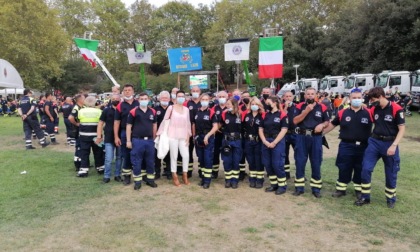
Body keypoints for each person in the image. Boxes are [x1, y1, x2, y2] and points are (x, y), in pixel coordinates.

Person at [355, 87, 405, 208]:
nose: (372, 102)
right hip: (374, 142)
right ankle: (365, 197)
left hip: (390, 143)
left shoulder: (396, 108)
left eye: (374, 99)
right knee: (366, 168)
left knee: (391, 172)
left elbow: (402, 129)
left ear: (381, 96)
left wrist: (393, 146)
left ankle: (390, 198)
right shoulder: (374, 109)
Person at [323, 88, 373, 199]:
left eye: (359, 98)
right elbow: (332, 125)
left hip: (363, 146)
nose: (356, 100)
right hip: (346, 145)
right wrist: (319, 134)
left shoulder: (369, 112)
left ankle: (359, 190)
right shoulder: (342, 112)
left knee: (360, 168)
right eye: (354, 98)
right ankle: (341, 189)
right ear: (349, 99)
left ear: (362, 98)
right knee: (343, 167)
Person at [293, 87, 330, 198]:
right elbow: (295, 121)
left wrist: (322, 125)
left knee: (316, 162)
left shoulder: (322, 107)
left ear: (316, 95)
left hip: (316, 138)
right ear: (305, 96)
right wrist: (306, 111)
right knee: (300, 161)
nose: (310, 95)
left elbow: (327, 121)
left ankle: (316, 189)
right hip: (301, 137)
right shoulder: (299, 106)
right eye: (308, 94)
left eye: (312, 94)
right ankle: (299, 188)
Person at [157, 90, 191, 186]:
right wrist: (160, 134)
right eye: (179, 96)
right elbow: (165, 121)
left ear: (185, 98)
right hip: (172, 135)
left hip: (183, 135)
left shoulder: (186, 109)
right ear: (175, 98)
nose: (181, 98)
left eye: (182, 96)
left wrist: (188, 136)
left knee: (185, 155)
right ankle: (174, 175)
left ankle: (185, 174)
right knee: (174, 156)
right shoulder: (170, 108)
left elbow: (188, 123)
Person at [126, 92, 158, 190]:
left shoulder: (153, 111)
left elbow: (154, 125)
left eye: (145, 98)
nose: (144, 100)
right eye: (141, 99)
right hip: (137, 140)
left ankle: (150, 180)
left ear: (149, 100)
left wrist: (154, 138)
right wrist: (128, 140)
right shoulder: (133, 111)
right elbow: (128, 126)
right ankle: (137, 181)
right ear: (138, 100)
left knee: (150, 161)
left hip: (149, 141)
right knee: (137, 161)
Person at [259, 96, 289, 195]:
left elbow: (284, 130)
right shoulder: (265, 115)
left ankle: (282, 186)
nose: (266, 105)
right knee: (267, 164)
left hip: (277, 141)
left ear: (275, 103)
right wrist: (264, 141)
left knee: (277, 164)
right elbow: (260, 129)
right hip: (266, 141)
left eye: (268, 103)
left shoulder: (282, 114)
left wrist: (274, 142)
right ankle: (274, 184)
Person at [114, 84, 140, 185]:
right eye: (125, 90)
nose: (127, 92)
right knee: (126, 155)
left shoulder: (139, 103)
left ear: (133, 92)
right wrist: (116, 136)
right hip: (124, 133)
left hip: (138, 132)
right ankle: (127, 177)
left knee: (138, 154)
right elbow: (116, 122)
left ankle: (140, 175)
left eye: (129, 90)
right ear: (123, 92)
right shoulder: (120, 105)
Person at [193, 93, 219, 189]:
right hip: (199, 137)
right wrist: (194, 136)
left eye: (206, 99)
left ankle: (207, 181)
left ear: (209, 100)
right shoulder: (197, 111)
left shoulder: (212, 112)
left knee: (208, 159)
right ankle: (203, 178)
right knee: (201, 159)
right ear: (200, 100)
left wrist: (207, 136)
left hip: (208, 137)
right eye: (202, 99)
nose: (204, 101)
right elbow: (194, 124)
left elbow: (215, 127)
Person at [96, 94, 122, 183]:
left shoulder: (122, 110)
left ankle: (117, 175)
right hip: (109, 137)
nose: (115, 100)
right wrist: (99, 135)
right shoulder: (106, 110)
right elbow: (100, 123)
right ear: (111, 99)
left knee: (119, 157)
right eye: (113, 99)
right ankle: (106, 176)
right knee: (108, 158)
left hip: (120, 137)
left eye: (117, 99)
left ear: (120, 99)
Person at [77, 96, 104, 177]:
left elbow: (79, 119)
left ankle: (84, 170)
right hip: (96, 136)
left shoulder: (81, 111)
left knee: (84, 153)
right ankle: (100, 168)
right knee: (98, 152)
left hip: (84, 135)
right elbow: (102, 122)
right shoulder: (99, 111)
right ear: (95, 102)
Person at [220, 98, 243, 189]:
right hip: (227, 140)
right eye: (227, 104)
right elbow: (219, 125)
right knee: (227, 161)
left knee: (236, 161)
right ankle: (228, 180)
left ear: (234, 105)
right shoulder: (224, 114)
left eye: (229, 104)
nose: (227, 105)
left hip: (237, 140)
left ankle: (234, 181)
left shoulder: (240, 114)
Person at [242, 97, 265, 188]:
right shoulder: (246, 115)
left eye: (256, 104)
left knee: (258, 160)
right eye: (252, 104)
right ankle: (252, 179)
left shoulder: (263, 115)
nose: (254, 106)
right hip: (248, 141)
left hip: (258, 141)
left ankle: (259, 180)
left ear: (259, 105)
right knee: (250, 160)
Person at [154, 91, 172, 179]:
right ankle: (157, 173)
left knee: (168, 154)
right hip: (158, 135)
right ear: (159, 99)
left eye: (166, 98)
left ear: (169, 99)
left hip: (169, 135)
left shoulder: (172, 108)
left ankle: (168, 172)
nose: (164, 100)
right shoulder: (155, 109)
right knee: (157, 154)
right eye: (162, 98)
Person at [184, 85, 201, 177]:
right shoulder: (187, 103)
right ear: (191, 91)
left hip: (201, 131)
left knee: (200, 152)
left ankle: (201, 171)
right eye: (193, 90)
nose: (195, 92)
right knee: (188, 152)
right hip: (188, 131)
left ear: (200, 92)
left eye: (197, 90)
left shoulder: (204, 102)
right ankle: (189, 171)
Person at [211, 91, 228, 179]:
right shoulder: (214, 108)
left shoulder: (229, 107)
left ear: (227, 97)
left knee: (227, 153)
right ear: (217, 98)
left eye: (223, 96)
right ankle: (214, 172)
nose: (221, 98)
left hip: (227, 135)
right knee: (215, 154)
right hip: (216, 134)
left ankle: (227, 171)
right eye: (220, 96)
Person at [282, 91, 297, 179]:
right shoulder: (281, 107)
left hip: (295, 133)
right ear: (284, 98)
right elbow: (282, 117)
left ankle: (298, 173)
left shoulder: (297, 107)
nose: (288, 98)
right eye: (286, 96)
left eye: (290, 96)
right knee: (284, 154)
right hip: (285, 134)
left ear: (293, 97)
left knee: (298, 154)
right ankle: (286, 173)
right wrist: (285, 108)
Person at [69, 94, 85, 170]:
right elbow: (70, 118)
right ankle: (77, 164)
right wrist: (76, 124)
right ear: (80, 100)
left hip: (83, 130)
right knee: (79, 146)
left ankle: (83, 162)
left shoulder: (83, 107)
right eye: (84, 98)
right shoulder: (76, 108)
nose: (85, 99)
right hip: (78, 130)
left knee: (82, 146)